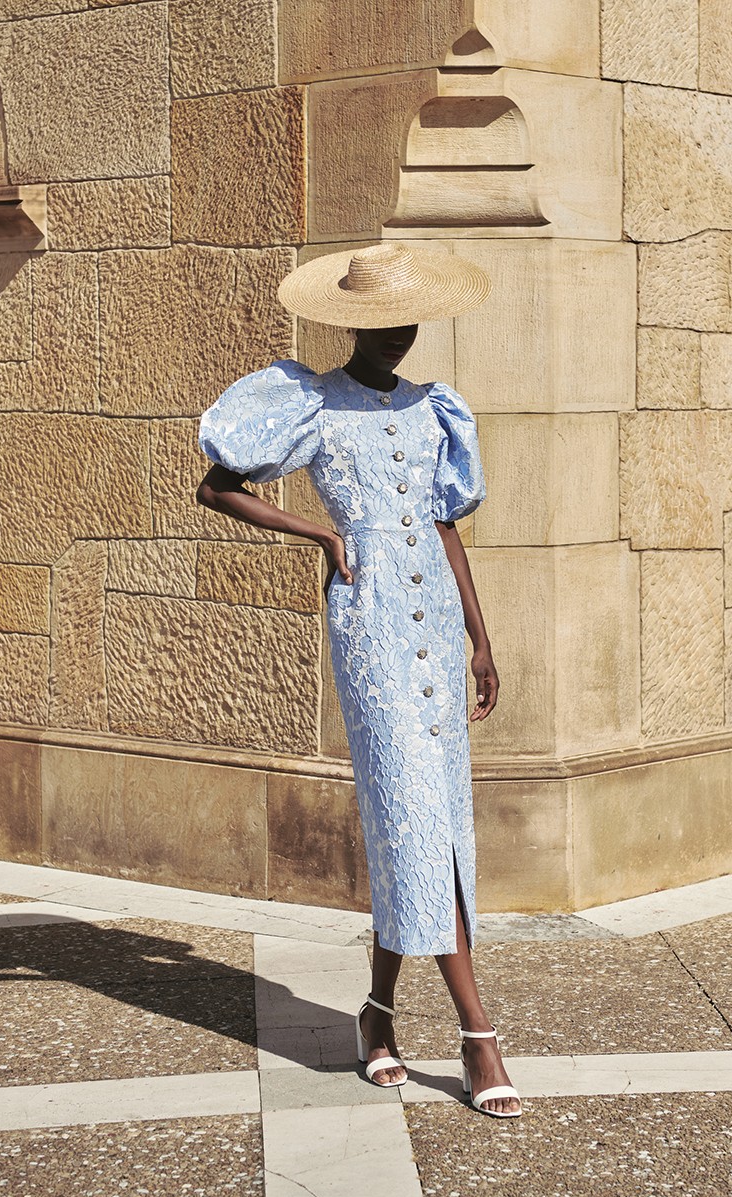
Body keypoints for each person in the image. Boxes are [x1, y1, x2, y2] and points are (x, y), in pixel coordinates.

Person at [195, 241, 522, 1118]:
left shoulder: (433, 409)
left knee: (431, 817)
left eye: (405, 323)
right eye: (377, 326)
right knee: (414, 812)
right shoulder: (311, 403)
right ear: (348, 326)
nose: (395, 338)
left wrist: (482, 641)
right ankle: (477, 1033)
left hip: (439, 636)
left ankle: (376, 1015)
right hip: (371, 631)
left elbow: (447, 528)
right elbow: (218, 487)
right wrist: (323, 535)